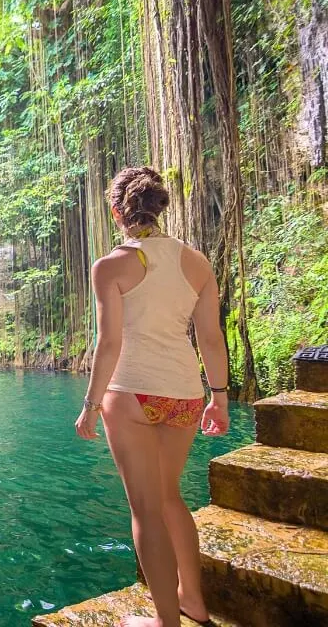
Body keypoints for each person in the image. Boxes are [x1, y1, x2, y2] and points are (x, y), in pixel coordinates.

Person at [74, 167, 230, 627]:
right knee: (169, 498)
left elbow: (110, 343)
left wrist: (90, 404)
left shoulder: (111, 266)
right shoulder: (197, 262)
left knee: (145, 510)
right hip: (184, 393)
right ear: (161, 207)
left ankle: (166, 621)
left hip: (130, 394)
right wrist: (218, 397)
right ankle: (194, 602)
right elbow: (211, 337)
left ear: (116, 211)